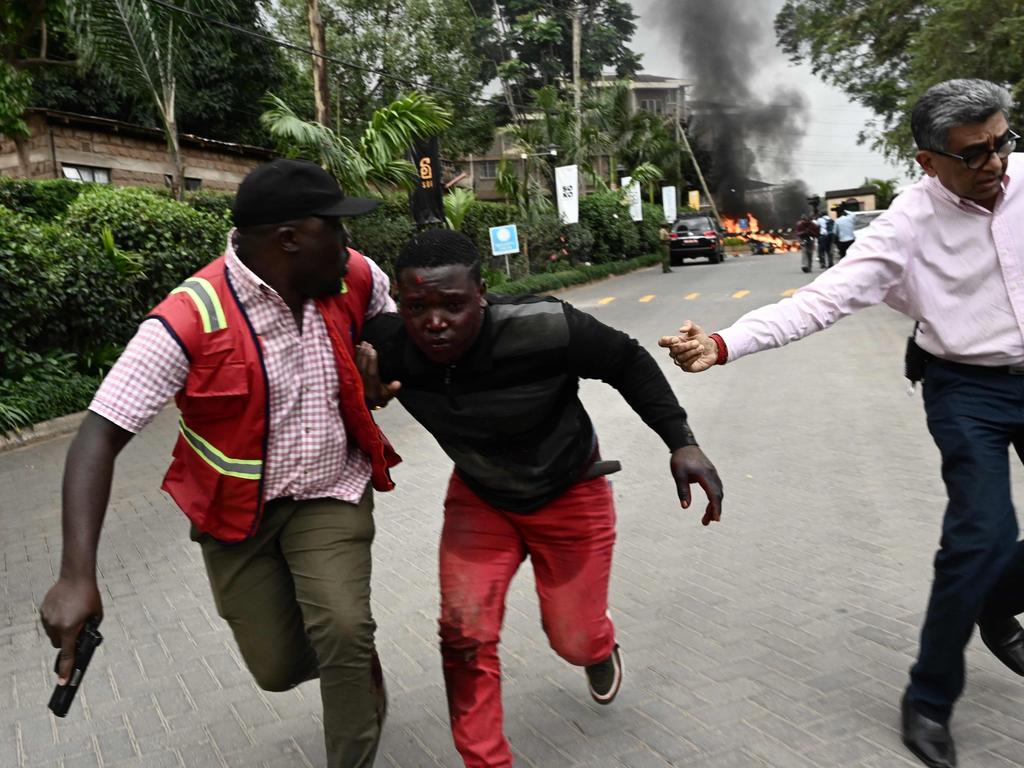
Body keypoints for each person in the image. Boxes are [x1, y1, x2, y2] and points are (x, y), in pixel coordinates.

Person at [658, 78, 1023, 768]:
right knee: (982, 533)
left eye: (1004, 142)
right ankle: (929, 699)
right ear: (927, 161)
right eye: (975, 154)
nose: (997, 163)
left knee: (989, 564)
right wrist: (725, 343)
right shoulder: (903, 229)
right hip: (966, 387)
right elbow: (818, 301)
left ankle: (995, 598)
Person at [39, 159, 401, 767]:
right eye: (334, 230)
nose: (350, 246)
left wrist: (383, 372)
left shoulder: (351, 275)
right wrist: (77, 574)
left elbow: (389, 319)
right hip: (238, 518)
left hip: (331, 491)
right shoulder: (188, 317)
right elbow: (98, 435)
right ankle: (353, 663)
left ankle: (352, 693)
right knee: (277, 668)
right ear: (289, 239)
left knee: (341, 628)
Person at [357, 228, 723, 768]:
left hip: (571, 490)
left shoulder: (544, 325)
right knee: (463, 635)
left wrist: (682, 442)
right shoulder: (386, 349)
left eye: (453, 305)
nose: (434, 322)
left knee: (573, 639)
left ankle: (598, 649)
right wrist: (364, 392)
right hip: (481, 501)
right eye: (417, 307)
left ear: (481, 292)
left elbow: (627, 360)